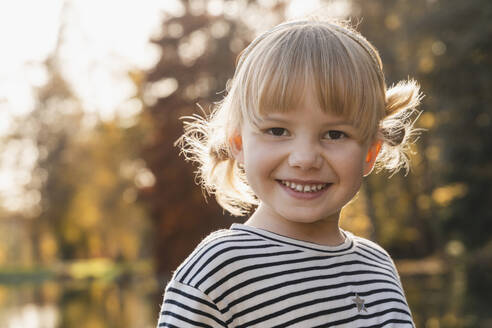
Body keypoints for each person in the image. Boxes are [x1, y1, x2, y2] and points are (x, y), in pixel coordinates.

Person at [157, 17, 422, 327]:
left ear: (369, 153)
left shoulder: (378, 268)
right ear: (239, 143)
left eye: (334, 134)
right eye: (278, 130)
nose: (305, 159)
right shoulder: (219, 270)